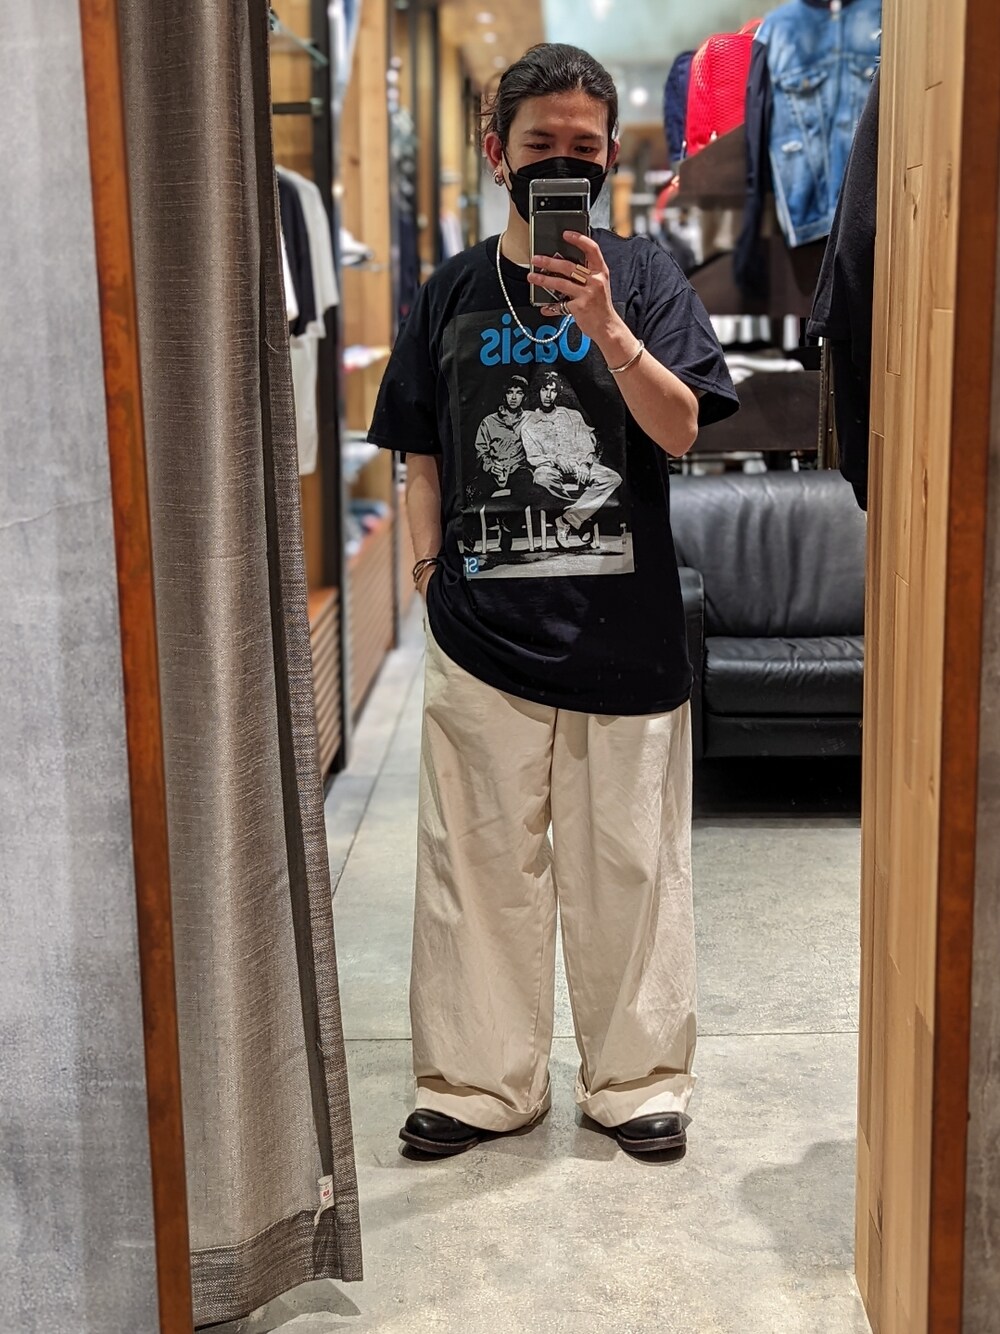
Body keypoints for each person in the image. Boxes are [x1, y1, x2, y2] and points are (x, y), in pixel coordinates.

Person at [368, 42, 738, 1160]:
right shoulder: (449, 288)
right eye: (540, 145)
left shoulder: (649, 276)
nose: (561, 164)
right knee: (477, 866)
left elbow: (681, 429)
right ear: (498, 154)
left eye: (584, 147)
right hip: (481, 632)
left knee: (629, 867)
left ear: (610, 157)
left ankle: (637, 1079)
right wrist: (427, 576)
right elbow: (421, 451)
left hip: (626, 634)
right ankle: (479, 1081)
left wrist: (610, 329)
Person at [521, 369, 621, 548]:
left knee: (612, 478)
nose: (548, 395)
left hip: (578, 466)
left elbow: (586, 444)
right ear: (538, 391)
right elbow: (534, 457)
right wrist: (556, 459)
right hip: (550, 469)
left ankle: (567, 520)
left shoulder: (572, 415)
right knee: (541, 477)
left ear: (558, 393)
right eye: (544, 390)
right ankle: (580, 518)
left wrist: (584, 463)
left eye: (552, 390)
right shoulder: (529, 424)